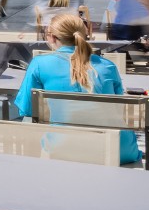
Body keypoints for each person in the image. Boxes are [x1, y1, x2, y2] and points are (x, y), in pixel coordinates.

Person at [13, 11, 141, 164]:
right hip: (118, 149)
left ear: (52, 37)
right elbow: (119, 108)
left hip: (65, 148)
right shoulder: (108, 66)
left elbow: (27, 110)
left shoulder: (40, 64)